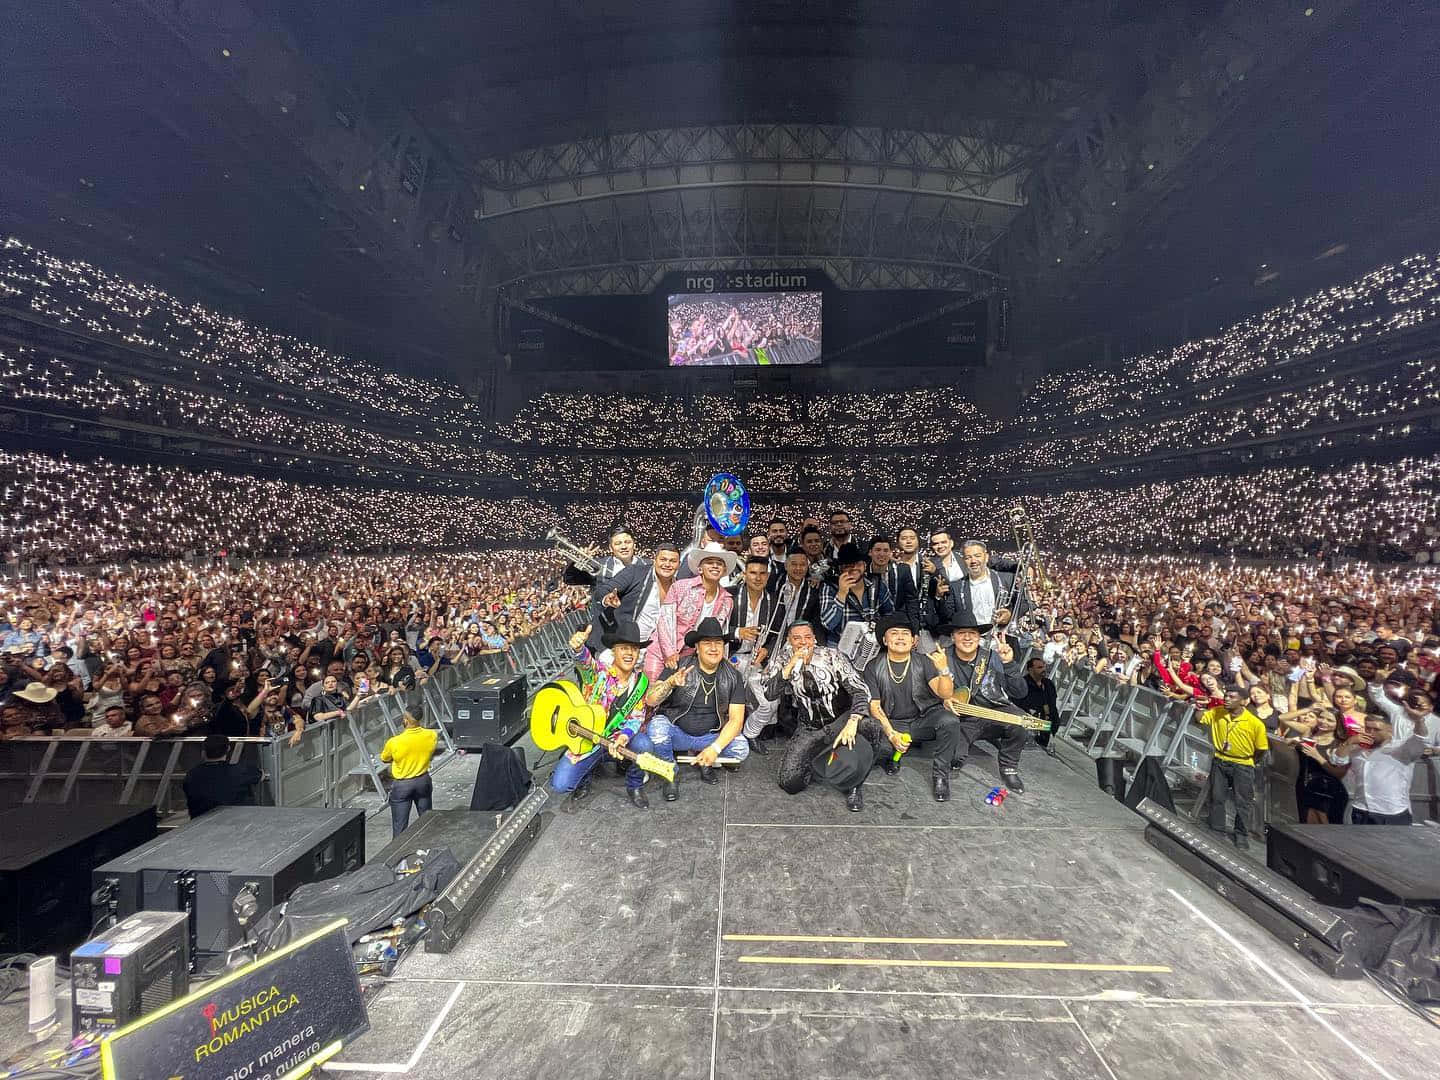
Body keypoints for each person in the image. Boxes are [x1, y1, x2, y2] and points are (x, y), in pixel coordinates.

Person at [762, 621, 890, 812]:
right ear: (789, 641)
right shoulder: (782, 660)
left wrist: (853, 721)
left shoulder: (832, 656)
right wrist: (789, 667)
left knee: (871, 728)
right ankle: (825, 756)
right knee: (790, 782)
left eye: (807, 637)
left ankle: (855, 783)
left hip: (841, 720)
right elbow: (769, 694)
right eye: (796, 638)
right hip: (810, 727)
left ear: (814, 639)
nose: (802, 642)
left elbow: (860, 691)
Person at [643, 618, 750, 803]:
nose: (714, 648)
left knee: (741, 749)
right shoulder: (679, 666)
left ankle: (705, 758)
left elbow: (736, 720)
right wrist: (670, 683)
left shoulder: (733, 676)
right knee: (657, 729)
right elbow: (650, 700)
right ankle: (670, 771)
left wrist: (714, 749)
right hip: (679, 733)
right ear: (697, 648)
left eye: (718, 643)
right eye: (707, 643)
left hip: (710, 736)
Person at [551, 618, 652, 807]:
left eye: (634, 649)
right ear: (614, 650)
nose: (630, 653)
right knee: (560, 785)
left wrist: (623, 738)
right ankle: (585, 778)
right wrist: (578, 648)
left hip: (618, 742)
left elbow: (636, 718)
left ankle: (635, 785)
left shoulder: (641, 683)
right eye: (624, 648)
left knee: (644, 744)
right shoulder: (599, 672)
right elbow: (585, 663)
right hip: (588, 740)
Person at [863, 614, 957, 805]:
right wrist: (891, 734)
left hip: (922, 720)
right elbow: (874, 705)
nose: (900, 637)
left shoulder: (923, 661)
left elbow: (944, 693)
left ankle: (940, 776)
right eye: (894, 633)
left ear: (914, 640)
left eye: (905, 633)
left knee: (950, 721)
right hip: (893, 723)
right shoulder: (873, 666)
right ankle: (892, 757)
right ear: (885, 640)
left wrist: (944, 670)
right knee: (874, 746)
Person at [941, 616, 1032, 793]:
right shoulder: (941, 657)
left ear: (979, 637)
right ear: (953, 636)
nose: (967, 638)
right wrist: (943, 699)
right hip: (961, 720)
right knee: (954, 758)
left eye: (972, 633)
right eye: (961, 633)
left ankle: (1009, 767)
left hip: (993, 712)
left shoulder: (991, 657)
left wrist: (1008, 663)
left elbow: (1020, 693)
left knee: (1022, 721)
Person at [1301, 711, 1434, 825]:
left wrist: (1419, 720)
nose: (1371, 733)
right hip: (1361, 809)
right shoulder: (1357, 749)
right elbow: (1338, 760)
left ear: (1390, 730)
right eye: (1368, 728)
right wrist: (1349, 742)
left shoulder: (1401, 748)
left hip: (1392, 811)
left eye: (1376, 729)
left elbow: (1420, 739)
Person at [647, 543, 737, 679]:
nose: (715, 566)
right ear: (700, 568)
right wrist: (669, 653)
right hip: (661, 652)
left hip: (692, 658)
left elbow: (721, 635)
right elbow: (664, 621)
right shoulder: (681, 587)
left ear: (724, 570)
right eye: (709, 562)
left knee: (681, 697)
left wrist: (721, 662)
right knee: (652, 693)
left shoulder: (727, 599)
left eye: (719, 563)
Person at [728, 556, 788, 754]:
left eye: (762, 573)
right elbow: (713, 629)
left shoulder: (774, 602)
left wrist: (767, 651)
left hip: (757, 662)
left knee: (770, 702)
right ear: (744, 575)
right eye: (752, 572)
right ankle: (729, 739)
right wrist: (738, 632)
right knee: (728, 703)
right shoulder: (729, 595)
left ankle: (749, 734)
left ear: (768, 576)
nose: (757, 577)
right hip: (730, 658)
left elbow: (780, 633)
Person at [1197, 688, 1270, 849]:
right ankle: (1217, 829)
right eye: (1226, 696)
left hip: (1242, 764)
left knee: (1243, 802)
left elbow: (1261, 749)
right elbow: (1200, 719)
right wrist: (1200, 708)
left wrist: (1248, 759)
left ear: (1243, 701)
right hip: (1220, 760)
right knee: (1217, 797)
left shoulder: (1254, 723)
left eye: (1232, 697)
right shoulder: (1217, 712)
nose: (1227, 699)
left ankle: (1241, 834)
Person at [819, 543, 893, 647]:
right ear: (840, 569)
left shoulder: (877, 584)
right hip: (839, 645)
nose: (853, 569)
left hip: (872, 645)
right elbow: (828, 624)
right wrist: (842, 594)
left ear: (864, 565)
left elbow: (889, 615)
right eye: (848, 565)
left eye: (858, 564)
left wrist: (879, 631)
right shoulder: (829, 587)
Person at [379, 711, 439, 836]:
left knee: (400, 826)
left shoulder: (394, 741)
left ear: (405, 720)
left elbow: (385, 758)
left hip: (403, 784)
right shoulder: (431, 735)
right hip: (423, 780)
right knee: (427, 820)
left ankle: (398, 853)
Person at [183, 734, 263, 819]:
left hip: (201, 825)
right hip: (238, 823)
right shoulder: (240, 771)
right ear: (228, 749)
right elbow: (261, 775)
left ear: (203, 752)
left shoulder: (192, 775)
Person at [1017, 656, 1060, 755]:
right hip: (1028, 725)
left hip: (1046, 725)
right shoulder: (1023, 683)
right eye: (1040, 667)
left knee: (1042, 749)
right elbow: (1019, 704)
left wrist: (1055, 721)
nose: (1044, 670)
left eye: (1044, 667)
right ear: (1030, 669)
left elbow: (1053, 704)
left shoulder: (1048, 684)